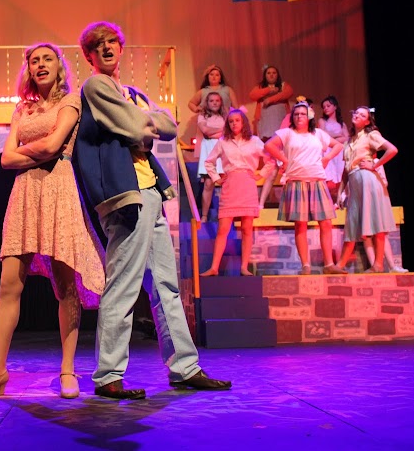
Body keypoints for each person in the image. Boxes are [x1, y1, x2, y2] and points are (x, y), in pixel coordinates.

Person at [72, 21, 231, 400]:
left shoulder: (132, 93)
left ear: (120, 48)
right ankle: (108, 374)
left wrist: (144, 125)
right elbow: (134, 129)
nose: (108, 48)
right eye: (99, 44)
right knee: (124, 283)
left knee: (166, 286)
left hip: (150, 192)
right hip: (126, 195)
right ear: (89, 55)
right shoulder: (96, 87)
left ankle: (184, 367)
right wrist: (143, 125)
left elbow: (169, 126)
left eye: (113, 42)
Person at [0, 42, 105, 400]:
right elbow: (5, 160)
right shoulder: (22, 108)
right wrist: (35, 153)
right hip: (24, 194)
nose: (40, 64)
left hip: (59, 190)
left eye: (47, 59)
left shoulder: (70, 102)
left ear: (59, 66)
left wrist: (26, 153)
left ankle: (68, 370)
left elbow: (53, 146)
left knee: (65, 286)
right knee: (8, 285)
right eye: (34, 60)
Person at [264, 101, 345, 275]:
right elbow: (269, 145)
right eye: (296, 114)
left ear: (309, 117)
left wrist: (327, 158)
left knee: (326, 222)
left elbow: (338, 145)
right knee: (300, 224)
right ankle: (306, 265)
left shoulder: (318, 134)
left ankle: (329, 264)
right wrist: (284, 160)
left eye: (302, 114)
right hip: (296, 181)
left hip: (317, 181)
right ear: (292, 117)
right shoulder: (287, 133)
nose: (299, 116)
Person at [200, 109, 268, 277]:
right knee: (223, 228)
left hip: (247, 184)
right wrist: (216, 178)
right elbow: (208, 162)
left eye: (237, 120)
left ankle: (244, 267)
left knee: (246, 228)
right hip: (230, 185)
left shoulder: (254, 141)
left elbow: (271, 159)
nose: (234, 123)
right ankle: (214, 267)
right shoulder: (223, 142)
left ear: (243, 122)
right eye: (231, 121)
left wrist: (261, 173)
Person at [333, 107, 398, 273]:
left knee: (376, 221)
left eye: (362, 115)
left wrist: (374, 165)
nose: (357, 115)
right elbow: (346, 170)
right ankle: (340, 265)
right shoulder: (348, 142)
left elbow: (392, 150)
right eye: (356, 113)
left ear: (367, 121)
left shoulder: (371, 135)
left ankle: (378, 264)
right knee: (352, 223)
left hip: (368, 181)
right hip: (355, 183)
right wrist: (340, 192)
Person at [250, 65, 293, 208]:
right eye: (268, 73)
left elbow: (288, 92)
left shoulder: (283, 85)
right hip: (266, 128)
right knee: (272, 167)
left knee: (284, 169)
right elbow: (253, 95)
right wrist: (268, 90)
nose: (271, 75)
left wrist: (271, 98)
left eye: (274, 72)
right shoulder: (261, 87)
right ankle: (261, 203)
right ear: (265, 75)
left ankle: (289, 203)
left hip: (282, 128)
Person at [196, 92, 226, 222]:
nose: (214, 103)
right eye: (211, 100)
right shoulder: (202, 116)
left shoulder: (225, 116)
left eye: (217, 100)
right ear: (207, 103)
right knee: (208, 184)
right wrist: (222, 130)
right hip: (209, 149)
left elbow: (228, 132)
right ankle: (204, 216)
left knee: (225, 182)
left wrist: (215, 131)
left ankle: (225, 214)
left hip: (223, 148)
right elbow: (206, 131)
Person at [317, 95, 349, 202]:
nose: (325, 108)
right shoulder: (322, 121)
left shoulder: (342, 123)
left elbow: (346, 138)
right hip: (328, 151)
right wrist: (337, 135)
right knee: (328, 175)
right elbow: (322, 135)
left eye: (328, 106)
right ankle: (326, 200)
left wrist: (334, 139)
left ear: (335, 107)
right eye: (324, 107)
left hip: (339, 151)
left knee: (340, 174)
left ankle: (339, 199)